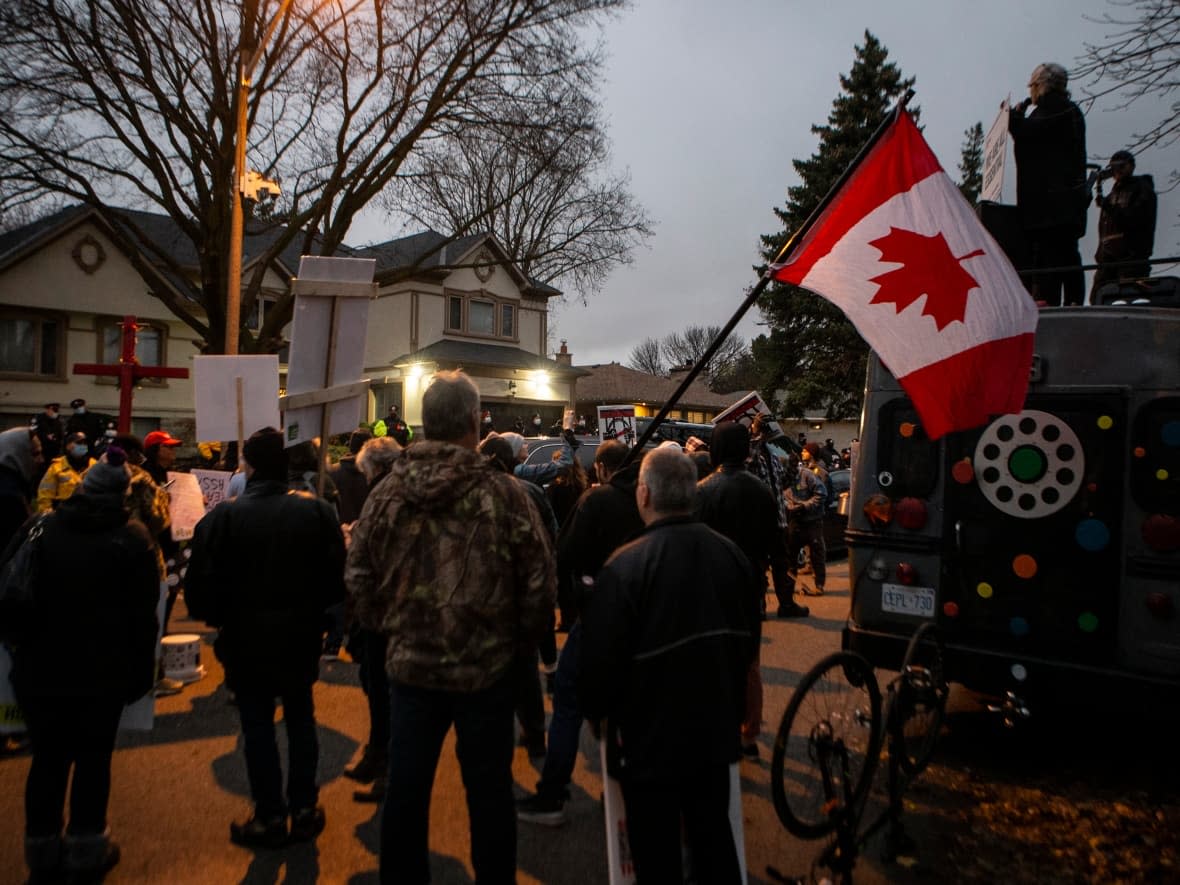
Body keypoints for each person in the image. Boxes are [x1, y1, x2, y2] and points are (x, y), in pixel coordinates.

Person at [345, 370, 555, 884]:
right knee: (489, 795)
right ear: (471, 421)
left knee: (406, 792)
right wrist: (515, 645)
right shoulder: (505, 495)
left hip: (411, 673)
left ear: (425, 423)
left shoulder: (385, 493)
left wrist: (393, 629)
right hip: (485, 673)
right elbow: (539, 586)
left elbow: (357, 577)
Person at [578, 447, 756, 883]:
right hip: (714, 734)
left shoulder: (624, 567)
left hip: (647, 744)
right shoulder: (731, 555)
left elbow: (600, 667)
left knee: (657, 857)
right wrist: (749, 707)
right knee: (714, 841)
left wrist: (597, 715)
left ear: (643, 494)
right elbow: (748, 647)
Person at [185, 427, 346, 848]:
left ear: (249, 466)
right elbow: (336, 579)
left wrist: (220, 618)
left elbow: (199, 587)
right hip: (299, 634)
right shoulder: (316, 513)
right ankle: (305, 807)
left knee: (257, 724)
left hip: (244, 636)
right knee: (300, 717)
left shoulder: (223, 517)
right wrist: (321, 618)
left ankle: (271, 814)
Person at [8, 446, 159, 883]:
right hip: (103, 674)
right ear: (121, 497)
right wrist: (139, 674)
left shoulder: (40, 528)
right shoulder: (132, 540)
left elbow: (9, 586)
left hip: (39, 670)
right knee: (94, 760)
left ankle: (41, 848)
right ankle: (86, 846)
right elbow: (143, 618)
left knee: (48, 761)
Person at [516, 440, 644, 827]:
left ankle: (553, 793)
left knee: (568, 702)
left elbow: (564, 554)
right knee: (629, 706)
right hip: (644, 621)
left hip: (598, 617)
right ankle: (625, 788)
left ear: (603, 467)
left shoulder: (597, 502)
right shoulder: (647, 500)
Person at [698, 423, 808, 756]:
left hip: (712, 588)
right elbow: (777, 541)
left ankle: (718, 729)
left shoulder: (703, 491)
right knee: (750, 663)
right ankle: (749, 733)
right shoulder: (761, 489)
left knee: (713, 661)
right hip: (751, 586)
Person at [479, 432, 559, 760]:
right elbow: (550, 537)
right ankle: (534, 732)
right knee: (524, 672)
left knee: (490, 680)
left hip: (482, 603)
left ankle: (496, 744)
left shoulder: (468, 492)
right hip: (519, 599)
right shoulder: (529, 492)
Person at [341, 434, 403, 804]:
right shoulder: (395, 488)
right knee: (377, 688)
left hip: (384, 608)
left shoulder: (387, 493)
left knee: (385, 693)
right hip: (388, 608)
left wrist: (354, 539)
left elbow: (379, 550)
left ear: (375, 468)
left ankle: (387, 771)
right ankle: (377, 756)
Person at [1008, 62, 1087, 307]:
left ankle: (1057, 301)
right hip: (1060, 204)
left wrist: (1012, 118)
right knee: (1062, 255)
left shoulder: (1056, 110)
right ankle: (1067, 300)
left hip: (1052, 206)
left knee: (1053, 257)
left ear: (1040, 86)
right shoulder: (1068, 111)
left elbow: (1030, 134)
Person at [112, 433, 183, 698]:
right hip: (148, 555)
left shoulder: (93, 477)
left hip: (118, 556)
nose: (173, 452)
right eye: (168, 447)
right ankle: (151, 678)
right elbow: (158, 519)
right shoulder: (143, 478)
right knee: (150, 619)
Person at [1092, 149, 1157, 298]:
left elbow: (1133, 220)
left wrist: (1108, 206)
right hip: (1108, 260)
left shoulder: (1142, 190)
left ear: (1131, 166)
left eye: (1121, 166)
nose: (1117, 171)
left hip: (1131, 259)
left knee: (1128, 299)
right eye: (1114, 167)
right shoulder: (1112, 195)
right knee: (1099, 298)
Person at [783, 452, 828, 598]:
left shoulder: (807, 475)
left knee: (817, 553)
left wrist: (804, 506)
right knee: (790, 555)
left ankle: (819, 585)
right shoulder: (782, 478)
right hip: (794, 521)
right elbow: (781, 497)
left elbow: (821, 494)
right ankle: (789, 589)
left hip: (812, 521)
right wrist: (789, 506)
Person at [35, 431, 94, 513]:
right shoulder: (56, 467)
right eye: (79, 443)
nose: (83, 446)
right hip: (62, 514)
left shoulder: (95, 466)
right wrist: (46, 513)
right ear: (68, 446)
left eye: (85, 443)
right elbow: (45, 493)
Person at [29, 404, 65, 470]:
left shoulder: (58, 420)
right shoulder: (38, 418)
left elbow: (61, 435)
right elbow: (32, 432)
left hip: (54, 452)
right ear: (48, 409)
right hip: (41, 451)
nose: (55, 413)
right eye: (53, 410)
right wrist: (45, 436)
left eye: (57, 410)